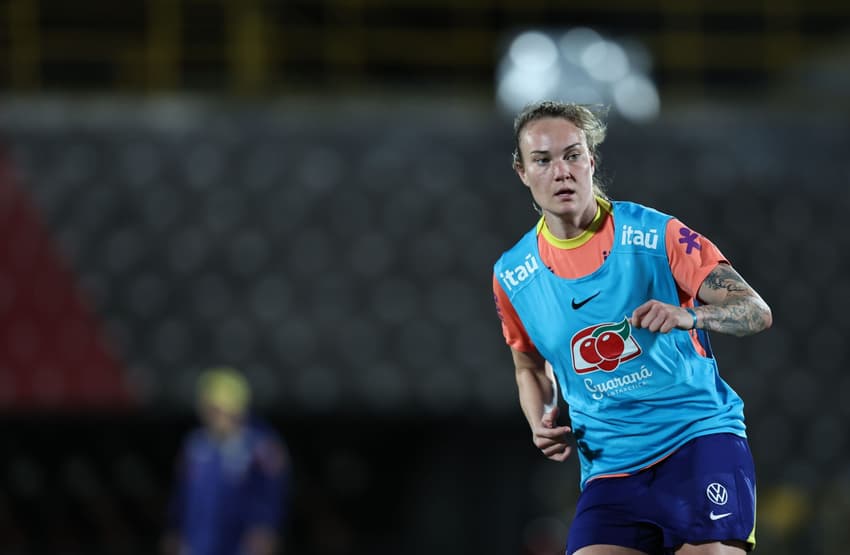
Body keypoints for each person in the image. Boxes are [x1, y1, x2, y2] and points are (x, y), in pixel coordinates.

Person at [492, 101, 772, 555]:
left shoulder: (657, 234)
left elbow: (755, 310)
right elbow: (528, 365)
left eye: (572, 155)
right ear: (522, 172)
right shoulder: (513, 276)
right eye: (543, 160)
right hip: (610, 470)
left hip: (697, 442)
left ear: (591, 161)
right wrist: (539, 417)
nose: (561, 172)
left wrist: (692, 316)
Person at [163, 367, 291, 555]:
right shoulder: (195, 446)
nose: (211, 416)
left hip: (240, 541)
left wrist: (265, 526)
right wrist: (175, 529)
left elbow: (270, 493)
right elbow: (183, 494)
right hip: (199, 539)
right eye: (208, 409)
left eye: (217, 410)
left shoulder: (259, 446)